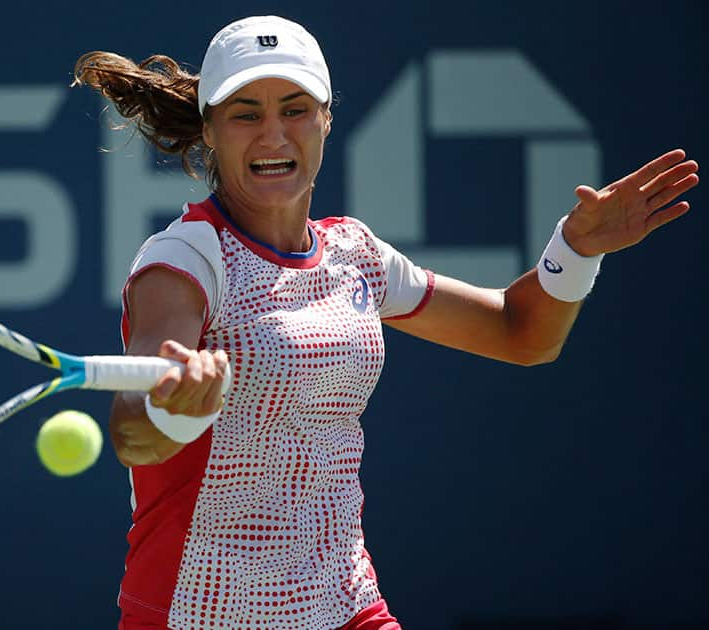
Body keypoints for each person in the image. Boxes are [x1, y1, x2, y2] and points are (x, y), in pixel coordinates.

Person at [73, 15, 699, 630]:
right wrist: (172, 407)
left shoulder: (356, 255)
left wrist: (575, 249)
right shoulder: (183, 258)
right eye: (245, 114)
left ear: (326, 119)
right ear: (210, 130)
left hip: (346, 606)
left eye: (294, 109)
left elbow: (521, 332)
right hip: (195, 614)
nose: (273, 136)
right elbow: (134, 430)